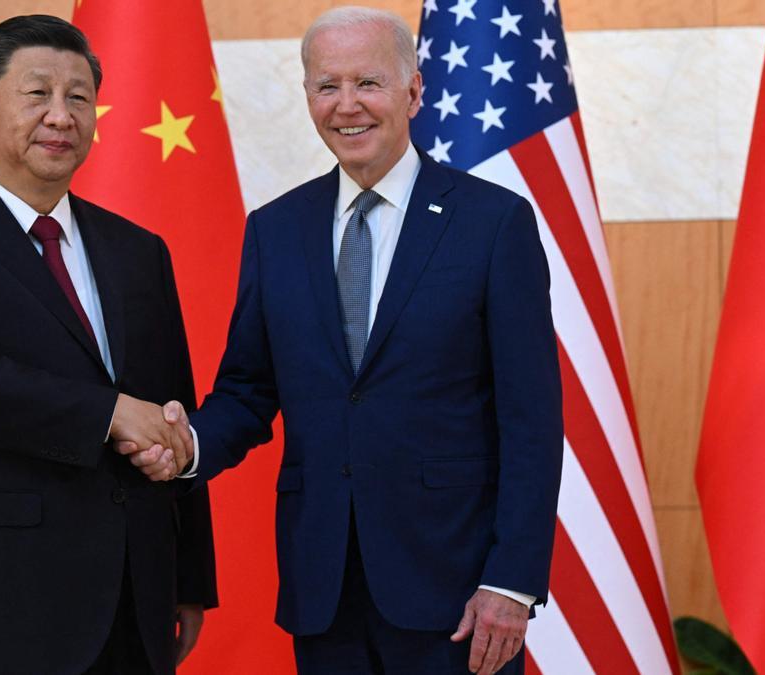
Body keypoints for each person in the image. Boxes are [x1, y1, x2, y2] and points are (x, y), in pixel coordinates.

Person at [122, 6, 563, 674]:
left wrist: (512, 581)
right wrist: (187, 447)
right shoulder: (275, 229)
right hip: (323, 586)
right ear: (307, 97)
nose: (347, 105)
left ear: (414, 91)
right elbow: (248, 390)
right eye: (327, 86)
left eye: (369, 83)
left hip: (459, 594)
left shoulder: (493, 223)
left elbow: (531, 417)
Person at [0, 15, 216, 675]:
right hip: (0, 602)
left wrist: (189, 578)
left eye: (79, 98)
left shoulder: (138, 251)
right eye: (38, 94)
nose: (61, 116)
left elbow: (176, 411)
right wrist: (111, 411)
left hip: (134, 600)